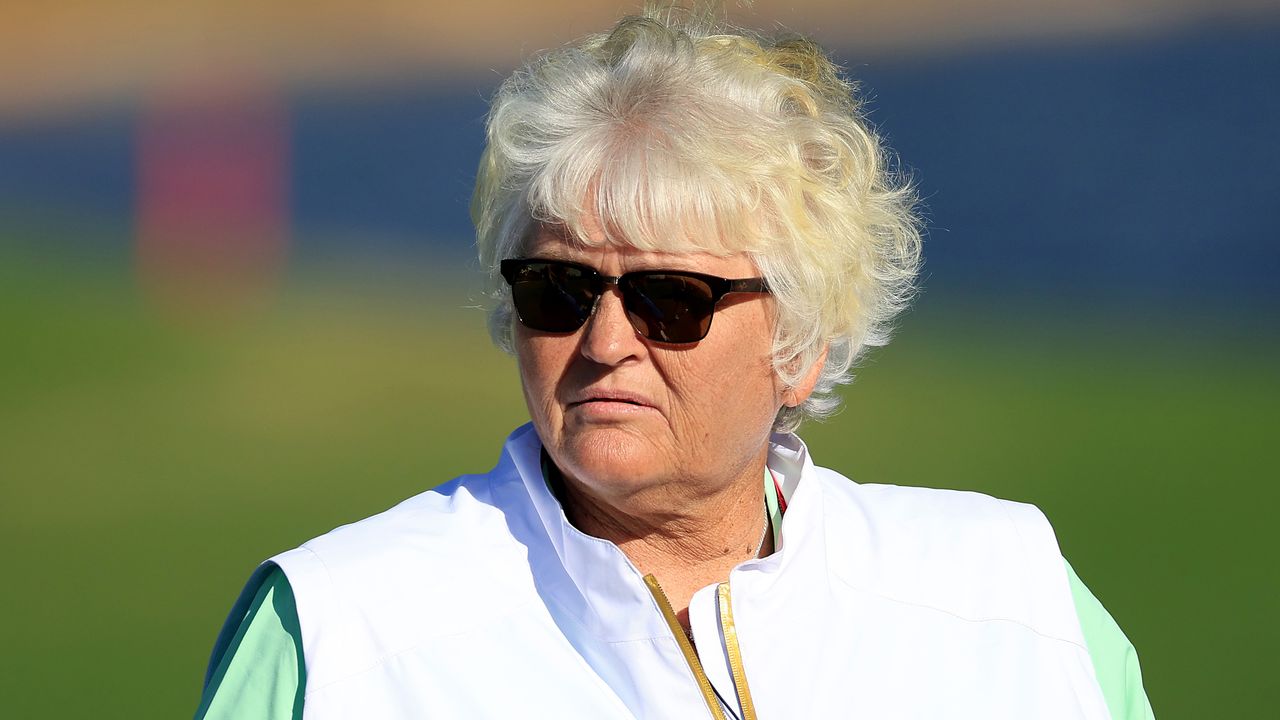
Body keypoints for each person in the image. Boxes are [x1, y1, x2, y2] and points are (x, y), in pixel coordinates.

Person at [195, 7, 1155, 719]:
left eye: (671, 301)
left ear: (803, 345)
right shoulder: (337, 634)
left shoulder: (1011, 599)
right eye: (559, 290)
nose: (606, 344)